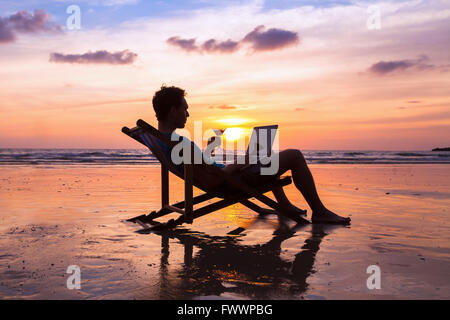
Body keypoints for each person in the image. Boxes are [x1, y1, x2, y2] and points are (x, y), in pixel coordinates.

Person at [152, 85, 351, 224]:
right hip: (230, 182)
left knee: (266, 155)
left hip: (226, 177)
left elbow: (198, 169)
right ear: (172, 111)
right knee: (294, 156)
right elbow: (212, 180)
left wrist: (210, 148)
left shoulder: (165, 140)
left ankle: (285, 205)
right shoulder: (179, 142)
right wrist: (242, 162)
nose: (188, 114)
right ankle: (320, 212)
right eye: (185, 109)